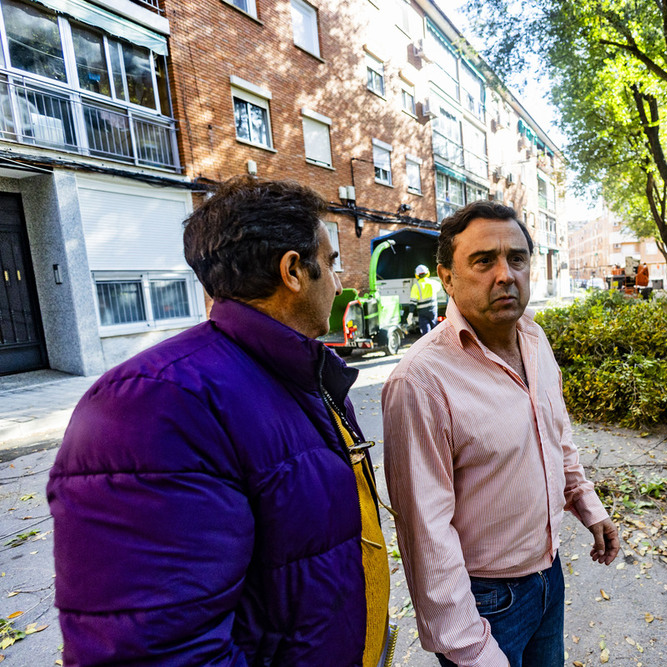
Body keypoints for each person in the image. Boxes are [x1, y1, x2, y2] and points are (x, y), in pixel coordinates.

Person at [47, 177, 393, 666]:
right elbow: (153, 651)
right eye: (332, 264)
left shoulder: (299, 372)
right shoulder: (157, 403)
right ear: (293, 270)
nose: (340, 284)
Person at [382, 201, 620, 667]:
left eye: (517, 258)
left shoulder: (533, 338)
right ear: (447, 277)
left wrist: (588, 506)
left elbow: (557, 435)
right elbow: (425, 535)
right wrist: (471, 649)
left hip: (549, 576)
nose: (506, 274)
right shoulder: (419, 381)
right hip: (487, 604)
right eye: (483, 260)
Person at [411, 263, 439, 336]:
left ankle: (428, 345)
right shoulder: (433, 283)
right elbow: (439, 288)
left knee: (426, 330)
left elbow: (413, 302)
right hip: (433, 309)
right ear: (428, 273)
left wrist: (410, 313)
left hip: (422, 311)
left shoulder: (416, 286)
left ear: (416, 275)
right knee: (435, 327)